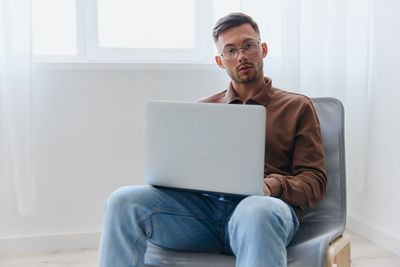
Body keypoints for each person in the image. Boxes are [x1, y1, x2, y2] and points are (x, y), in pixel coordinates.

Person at [98, 13, 327, 267]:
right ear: (220, 61)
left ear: (263, 49)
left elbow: (314, 182)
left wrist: (269, 187)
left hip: (262, 211)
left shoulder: (298, 107)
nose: (241, 56)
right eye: (230, 50)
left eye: (248, 45)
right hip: (201, 218)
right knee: (123, 201)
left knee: (257, 211)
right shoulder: (203, 110)